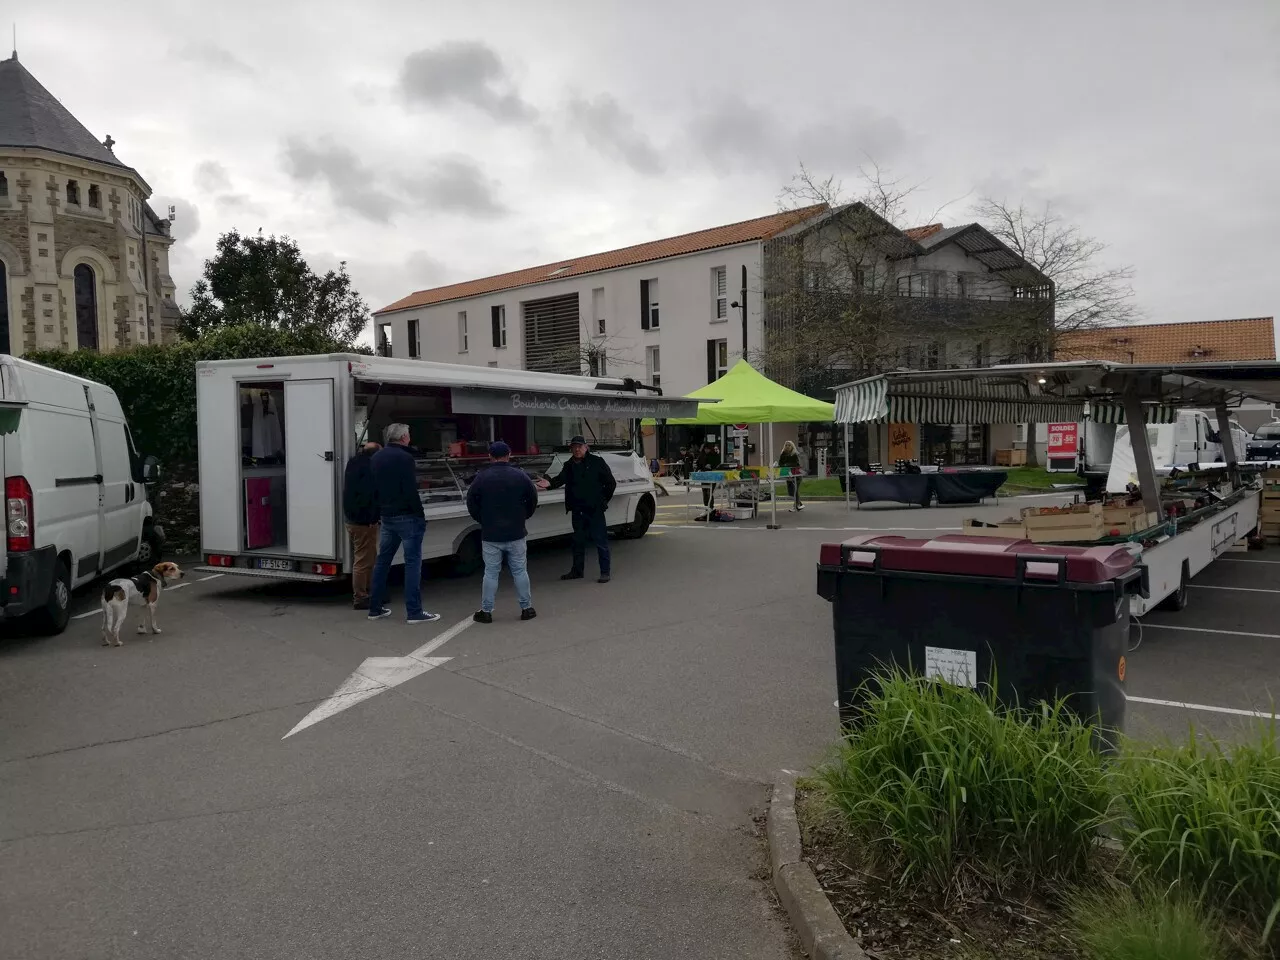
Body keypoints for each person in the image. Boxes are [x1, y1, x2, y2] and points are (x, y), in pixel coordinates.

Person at [367, 423, 440, 624]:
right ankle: (414, 611)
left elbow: (373, 488)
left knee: (382, 561)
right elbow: (410, 490)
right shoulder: (406, 458)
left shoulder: (376, 457)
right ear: (404, 437)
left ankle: (375, 608)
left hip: (387, 516)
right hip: (407, 516)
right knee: (413, 563)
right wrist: (420, 514)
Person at [466, 441, 539, 623]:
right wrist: (524, 516)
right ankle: (526, 608)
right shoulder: (520, 476)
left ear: (490, 456)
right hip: (516, 532)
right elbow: (532, 498)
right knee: (520, 571)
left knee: (491, 573)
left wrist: (482, 519)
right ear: (509, 454)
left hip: (491, 534)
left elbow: (471, 502)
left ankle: (487, 611)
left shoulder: (481, 478)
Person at [536, 435, 616, 583]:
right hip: (578, 510)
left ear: (586, 447)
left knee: (600, 542)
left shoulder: (597, 462)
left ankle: (605, 572)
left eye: (580, 446)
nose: (577, 449)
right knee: (578, 542)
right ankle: (577, 571)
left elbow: (611, 483)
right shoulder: (569, 465)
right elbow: (560, 479)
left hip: (595, 510)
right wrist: (549, 484)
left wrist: (603, 501)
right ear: (571, 449)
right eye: (574, 447)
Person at [343, 440, 381, 610]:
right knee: (363, 560)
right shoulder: (370, 468)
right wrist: (374, 516)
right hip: (363, 520)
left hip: (352, 518)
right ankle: (360, 597)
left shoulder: (353, 463)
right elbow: (369, 495)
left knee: (368, 557)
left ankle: (370, 592)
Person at [695, 442, 722, 512]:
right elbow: (698, 464)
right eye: (705, 449)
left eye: (708, 449)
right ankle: (706, 507)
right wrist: (701, 468)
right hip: (704, 475)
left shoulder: (714, 455)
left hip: (712, 475)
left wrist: (711, 466)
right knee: (704, 491)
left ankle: (710, 507)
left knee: (709, 492)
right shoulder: (701, 455)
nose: (706, 450)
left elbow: (718, 464)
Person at [779, 440, 804, 511]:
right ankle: (800, 504)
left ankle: (796, 506)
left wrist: (786, 465)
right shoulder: (783, 454)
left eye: (789, 445)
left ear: (792, 446)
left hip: (796, 474)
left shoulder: (795, 454)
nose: (787, 447)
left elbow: (796, 464)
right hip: (788, 474)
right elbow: (780, 463)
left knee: (795, 489)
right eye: (786, 445)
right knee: (791, 491)